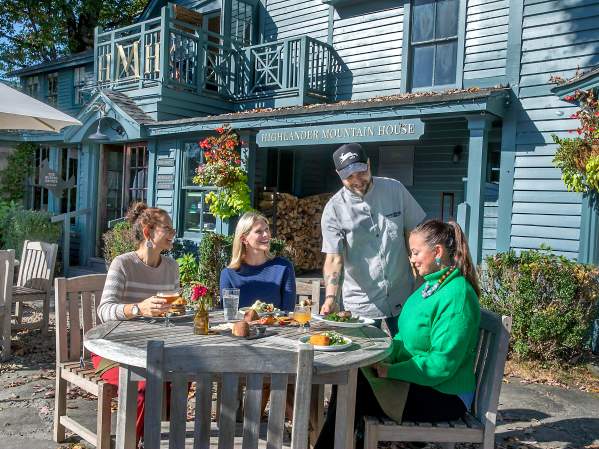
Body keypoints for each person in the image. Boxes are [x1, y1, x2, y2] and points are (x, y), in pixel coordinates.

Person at [314, 219, 481, 449]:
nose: (411, 259)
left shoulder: (457, 296)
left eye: (415, 252)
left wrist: (391, 370)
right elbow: (404, 338)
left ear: (438, 251)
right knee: (351, 374)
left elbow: (441, 365)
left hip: (445, 394)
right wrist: (381, 358)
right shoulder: (429, 287)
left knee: (355, 389)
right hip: (423, 381)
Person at [93, 202, 179, 446]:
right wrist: (138, 309)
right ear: (148, 231)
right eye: (168, 229)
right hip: (113, 350)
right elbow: (104, 311)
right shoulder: (123, 264)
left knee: (179, 376)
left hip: (152, 348)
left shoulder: (171, 267)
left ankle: (158, 441)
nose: (173, 234)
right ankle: (131, 443)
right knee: (144, 383)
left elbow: (171, 309)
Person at [320, 143, 426, 334]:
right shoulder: (333, 209)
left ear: (368, 164)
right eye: (349, 176)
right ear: (338, 174)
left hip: (403, 295)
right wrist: (331, 298)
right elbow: (334, 259)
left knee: (409, 354)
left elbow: (414, 237)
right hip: (362, 302)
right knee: (365, 360)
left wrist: (421, 281)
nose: (357, 180)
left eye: (361, 172)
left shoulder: (396, 190)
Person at [220, 211, 296, 312]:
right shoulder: (228, 274)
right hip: (240, 327)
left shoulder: (283, 268)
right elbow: (228, 315)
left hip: (276, 327)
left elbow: (288, 312)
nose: (266, 235)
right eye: (258, 231)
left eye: (267, 229)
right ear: (244, 239)